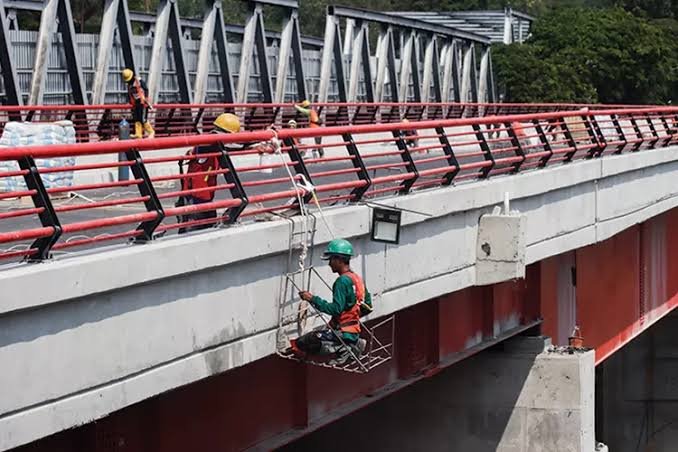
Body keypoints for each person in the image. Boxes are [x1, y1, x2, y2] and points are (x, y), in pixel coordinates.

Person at [293, 238, 371, 366]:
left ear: (339, 260)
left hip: (343, 334)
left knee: (303, 342)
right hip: (353, 331)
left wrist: (312, 299)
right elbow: (368, 306)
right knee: (321, 335)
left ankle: (345, 348)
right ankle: (352, 343)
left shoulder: (341, 282)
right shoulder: (356, 278)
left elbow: (335, 309)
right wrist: (350, 318)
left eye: (331, 260)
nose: (329, 264)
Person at [177, 113, 242, 234]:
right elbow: (233, 147)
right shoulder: (207, 144)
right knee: (191, 234)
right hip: (194, 199)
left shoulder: (213, 143)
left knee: (208, 230)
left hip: (205, 199)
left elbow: (234, 146)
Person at [121, 68, 155, 139]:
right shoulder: (129, 85)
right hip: (136, 103)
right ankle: (138, 134)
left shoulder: (138, 81)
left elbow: (146, 89)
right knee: (137, 119)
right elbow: (129, 94)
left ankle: (151, 132)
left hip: (142, 103)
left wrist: (146, 98)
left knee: (143, 119)